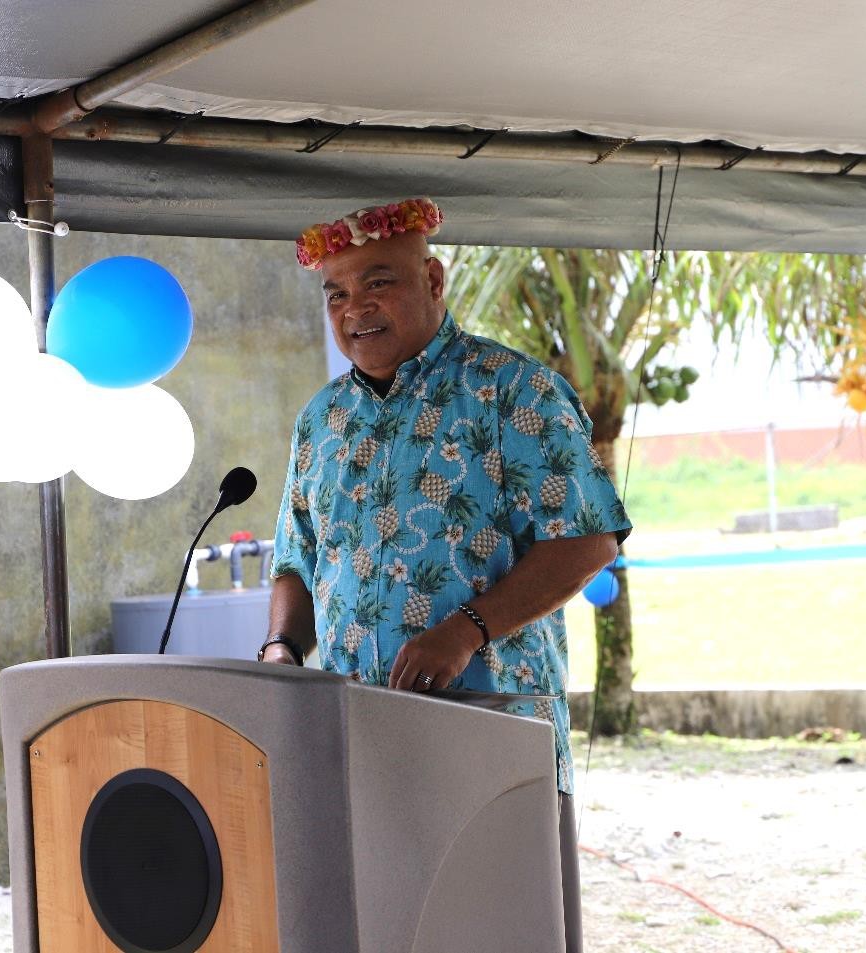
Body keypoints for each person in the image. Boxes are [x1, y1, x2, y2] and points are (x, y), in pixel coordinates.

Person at [262, 198, 630, 953]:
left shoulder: (513, 390)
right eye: (336, 293)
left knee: (491, 929)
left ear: (433, 280)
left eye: (378, 283)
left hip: (490, 734)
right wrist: (280, 650)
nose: (355, 309)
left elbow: (588, 539)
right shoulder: (320, 420)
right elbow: (296, 558)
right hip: (355, 739)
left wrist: (464, 632)